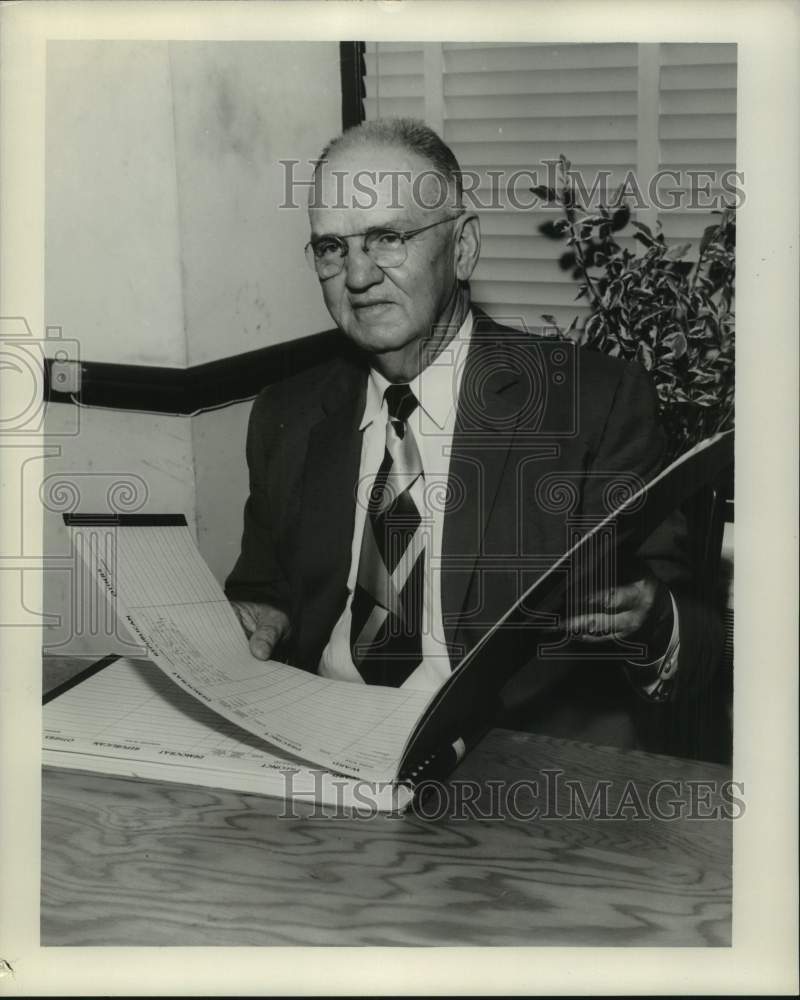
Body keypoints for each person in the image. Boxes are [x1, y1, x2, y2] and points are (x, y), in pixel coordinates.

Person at [225, 118, 719, 748]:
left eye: (387, 238)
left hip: (504, 769)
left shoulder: (592, 404)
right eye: (332, 248)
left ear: (462, 249)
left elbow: (694, 648)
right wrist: (258, 622)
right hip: (317, 746)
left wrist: (653, 620)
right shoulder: (286, 414)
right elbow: (261, 592)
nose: (356, 276)